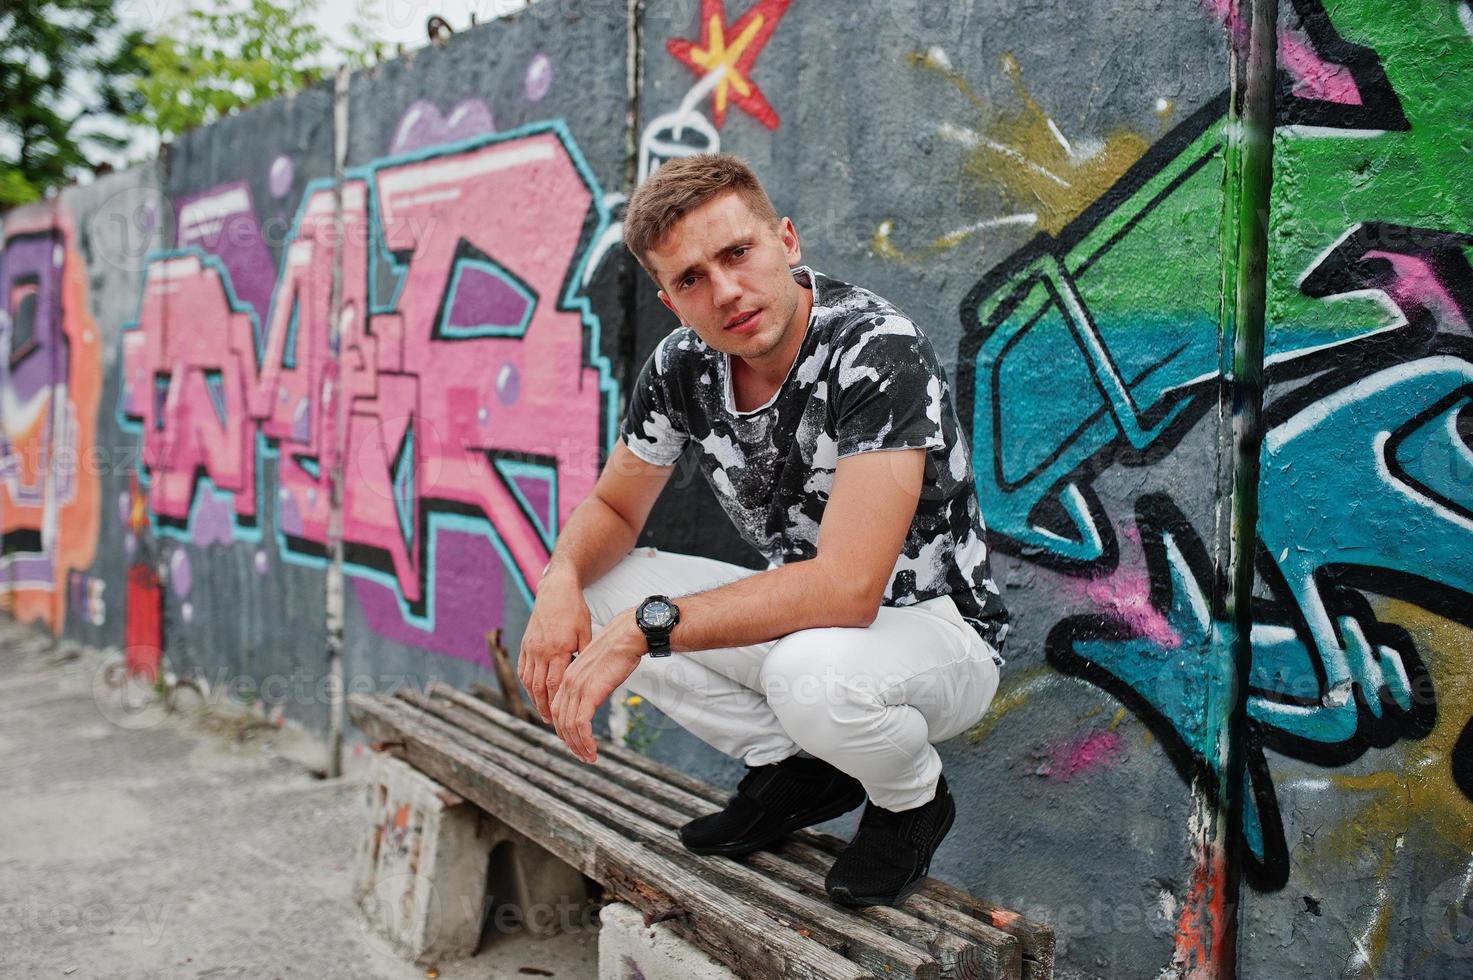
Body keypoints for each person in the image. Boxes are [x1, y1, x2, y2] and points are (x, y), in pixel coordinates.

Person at [517, 153, 1009, 908]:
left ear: (785, 240)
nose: (724, 292)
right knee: (597, 586)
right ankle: (796, 770)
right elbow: (614, 511)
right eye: (689, 279)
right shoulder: (681, 366)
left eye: (736, 253)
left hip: (936, 632)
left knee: (801, 671)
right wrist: (557, 583)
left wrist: (640, 632)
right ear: (669, 298)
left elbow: (847, 589)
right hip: (804, 620)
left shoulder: (874, 349)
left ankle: (911, 800)